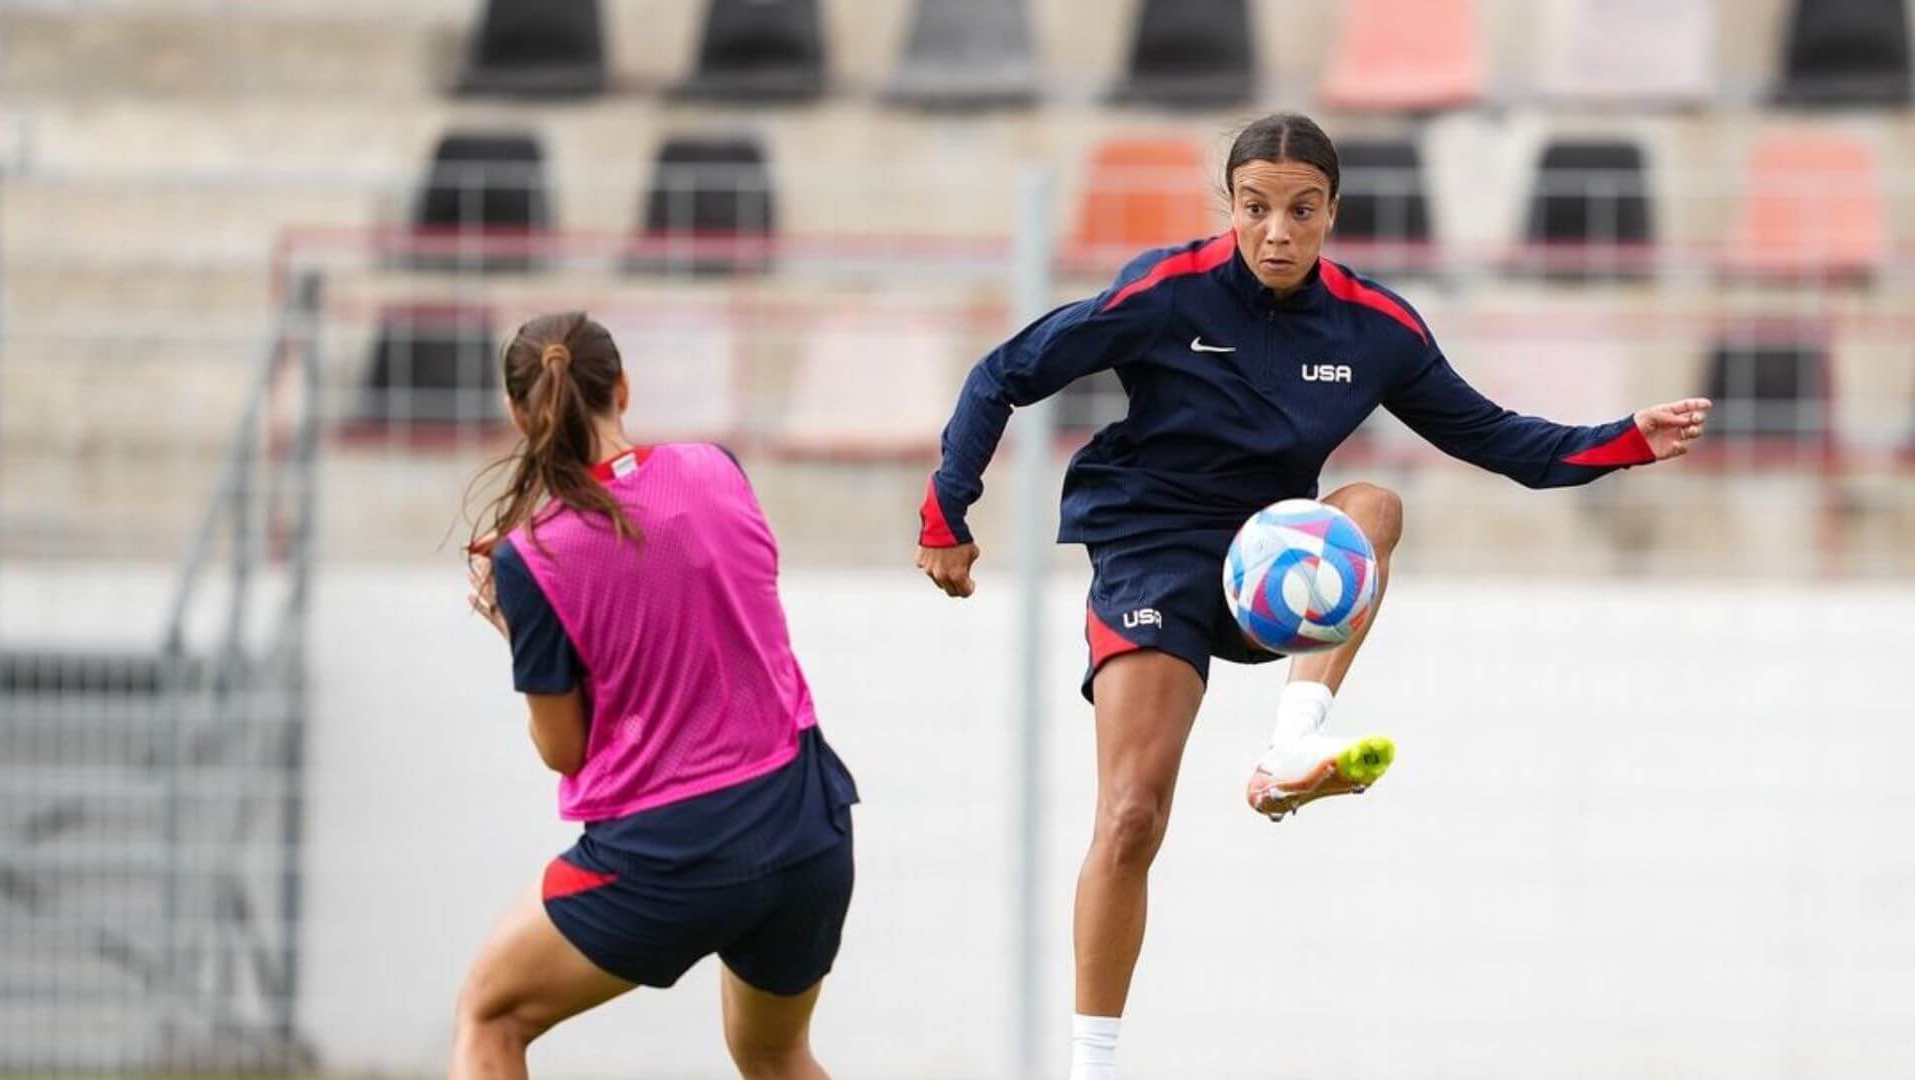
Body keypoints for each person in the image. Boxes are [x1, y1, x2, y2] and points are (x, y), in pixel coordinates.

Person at [914, 113, 1710, 1080]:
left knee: (1375, 503)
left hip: (1267, 564)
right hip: (1151, 551)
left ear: (1333, 212)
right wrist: (945, 514)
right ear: (1232, 207)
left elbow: (1503, 442)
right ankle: (1093, 1067)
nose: (1277, 232)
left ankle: (1295, 739)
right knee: (1131, 815)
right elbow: (1003, 373)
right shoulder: (1165, 293)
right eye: (1256, 209)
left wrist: (1629, 436)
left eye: (1300, 210)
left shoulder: (1378, 328)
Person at [453, 312, 857, 1080]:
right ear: (624, 389)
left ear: (517, 415)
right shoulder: (717, 466)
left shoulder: (530, 558)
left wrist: (518, 625)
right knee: (775, 1052)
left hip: (672, 853)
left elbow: (563, 748)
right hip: (805, 822)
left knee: (490, 1013)